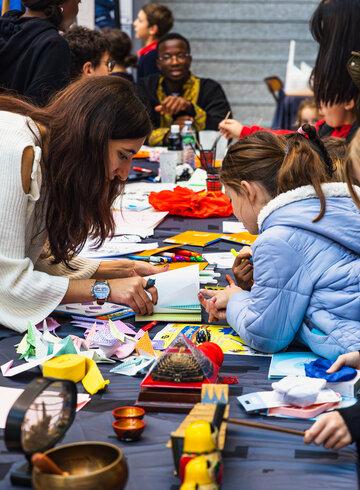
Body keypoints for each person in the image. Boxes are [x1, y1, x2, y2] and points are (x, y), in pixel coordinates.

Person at [0, 76, 166, 333]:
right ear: (92, 137)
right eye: (123, 155)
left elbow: (31, 257)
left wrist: (120, 269)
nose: (124, 173)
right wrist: (103, 289)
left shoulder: (47, 154)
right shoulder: (17, 149)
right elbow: (6, 284)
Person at [198, 125, 360, 359]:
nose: (233, 211)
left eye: (231, 199)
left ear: (248, 191)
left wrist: (235, 299)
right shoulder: (333, 207)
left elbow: (265, 334)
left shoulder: (277, 240)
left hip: (347, 343)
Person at [138, 33, 231, 146]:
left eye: (181, 56)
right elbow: (135, 131)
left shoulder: (210, 88)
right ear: (158, 63)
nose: (175, 62)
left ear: (190, 59)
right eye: (167, 57)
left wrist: (189, 107)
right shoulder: (145, 87)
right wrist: (172, 133)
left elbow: (226, 134)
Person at [0, 0, 79, 106]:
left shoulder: (5, 28)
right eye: (78, 3)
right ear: (62, 4)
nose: (77, 10)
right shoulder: (53, 45)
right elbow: (42, 112)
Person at [219, 99, 357, 142]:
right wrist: (244, 131)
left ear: (349, 102)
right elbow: (288, 137)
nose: (321, 109)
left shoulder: (354, 139)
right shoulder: (324, 127)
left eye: (326, 98)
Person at [134, 2, 173, 80]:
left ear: (152, 29)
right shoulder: (154, 53)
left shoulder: (151, 58)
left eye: (140, 20)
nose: (134, 23)